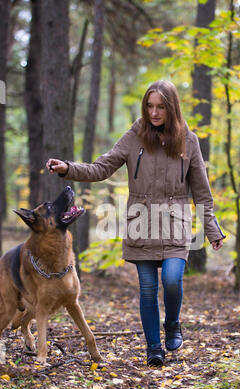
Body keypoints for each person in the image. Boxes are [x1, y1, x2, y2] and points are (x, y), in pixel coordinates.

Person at [46, 80, 225, 367]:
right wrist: (69, 168)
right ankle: (154, 348)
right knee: (147, 288)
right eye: (150, 106)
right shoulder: (135, 136)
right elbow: (102, 167)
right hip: (141, 223)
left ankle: (173, 322)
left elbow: (201, 190)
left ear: (172, 107)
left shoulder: (188, 140)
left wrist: (212, 229)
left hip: (176, 223)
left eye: (161, 107)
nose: (154, 113)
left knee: (172, 279)